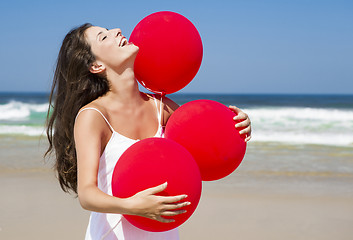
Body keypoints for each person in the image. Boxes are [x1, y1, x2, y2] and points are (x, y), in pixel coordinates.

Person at [45, 23, 252, 240]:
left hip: (164, 233)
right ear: (96, 66)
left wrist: (238, 125)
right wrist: (132, 206)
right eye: (103, 37)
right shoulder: (94, 116)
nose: (117, 31)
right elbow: (87, 195)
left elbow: (207, 141)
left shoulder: (160, 107)